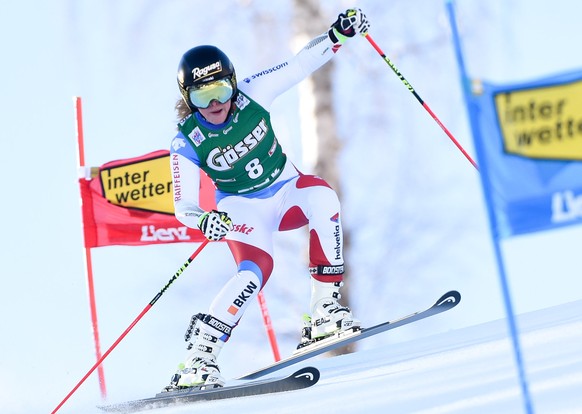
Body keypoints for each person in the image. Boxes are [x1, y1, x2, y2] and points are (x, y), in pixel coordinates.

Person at [168, 8, 370, 389]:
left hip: (286, 191)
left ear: (232, 83)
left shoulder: (253, 94)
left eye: (221, 90)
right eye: (202, 96)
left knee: (323, 196)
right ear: (188, 99)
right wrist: (204, 220)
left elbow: (300, 64)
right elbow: (184, 207)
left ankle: (324, 311)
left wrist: (337, 36)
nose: (215, 104)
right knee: (255, 271)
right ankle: (200, 356)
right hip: (243, 207)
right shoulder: (187, 139)